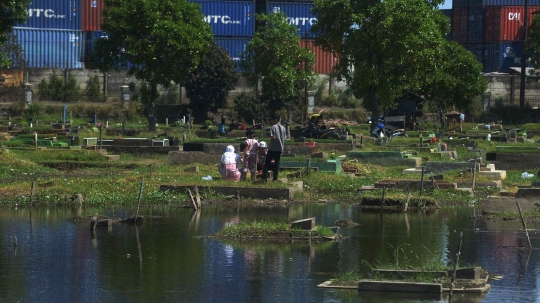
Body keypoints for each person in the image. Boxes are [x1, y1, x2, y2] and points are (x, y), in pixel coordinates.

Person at [263, 114, 286, 182]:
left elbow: (273, 137)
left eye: (272, 120)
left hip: (272, 148)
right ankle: (275, 178)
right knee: (277, 163)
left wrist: (268, 135)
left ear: (276, 120)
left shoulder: (273, 127)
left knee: (267, 163)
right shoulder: (283, 128)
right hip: (280, 148)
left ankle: (264, 178)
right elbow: (284, 138)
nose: (271, 121)